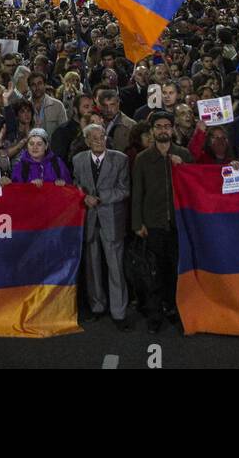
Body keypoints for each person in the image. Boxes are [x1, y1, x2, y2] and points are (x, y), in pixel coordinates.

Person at [131, 111, 189, 332]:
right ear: (152, 130)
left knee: (175, 271)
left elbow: (197, 182)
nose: (163, 129)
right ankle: (155, 315)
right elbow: (137, 193)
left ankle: (173, 309)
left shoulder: (183, 154)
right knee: (153, 273)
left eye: (167, 126)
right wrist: (137, 224)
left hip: (177, 224)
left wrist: (181, 166)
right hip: (153, 224)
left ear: (172, 129)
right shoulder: (143, 158)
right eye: (159, 126)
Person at [72, 122, 132, 330]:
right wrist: (83, 195)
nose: (99, 141)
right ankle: (97, 307)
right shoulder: (78, 160)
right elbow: (75, 185)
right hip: (88, 221)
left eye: (102, 137)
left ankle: (119, 312)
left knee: (115, 268)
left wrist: (100, 197)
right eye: (95, 138)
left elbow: (124, 189)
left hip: (111, 221)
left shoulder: (120, 159)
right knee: (92, 267)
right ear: (87, 141)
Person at [95, 88, 135, 153]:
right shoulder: (95, 122)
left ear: (118, 103)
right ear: (100, 106)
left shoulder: (130, 125)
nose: (109, 110)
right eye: (105, 106)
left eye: (112, 105)